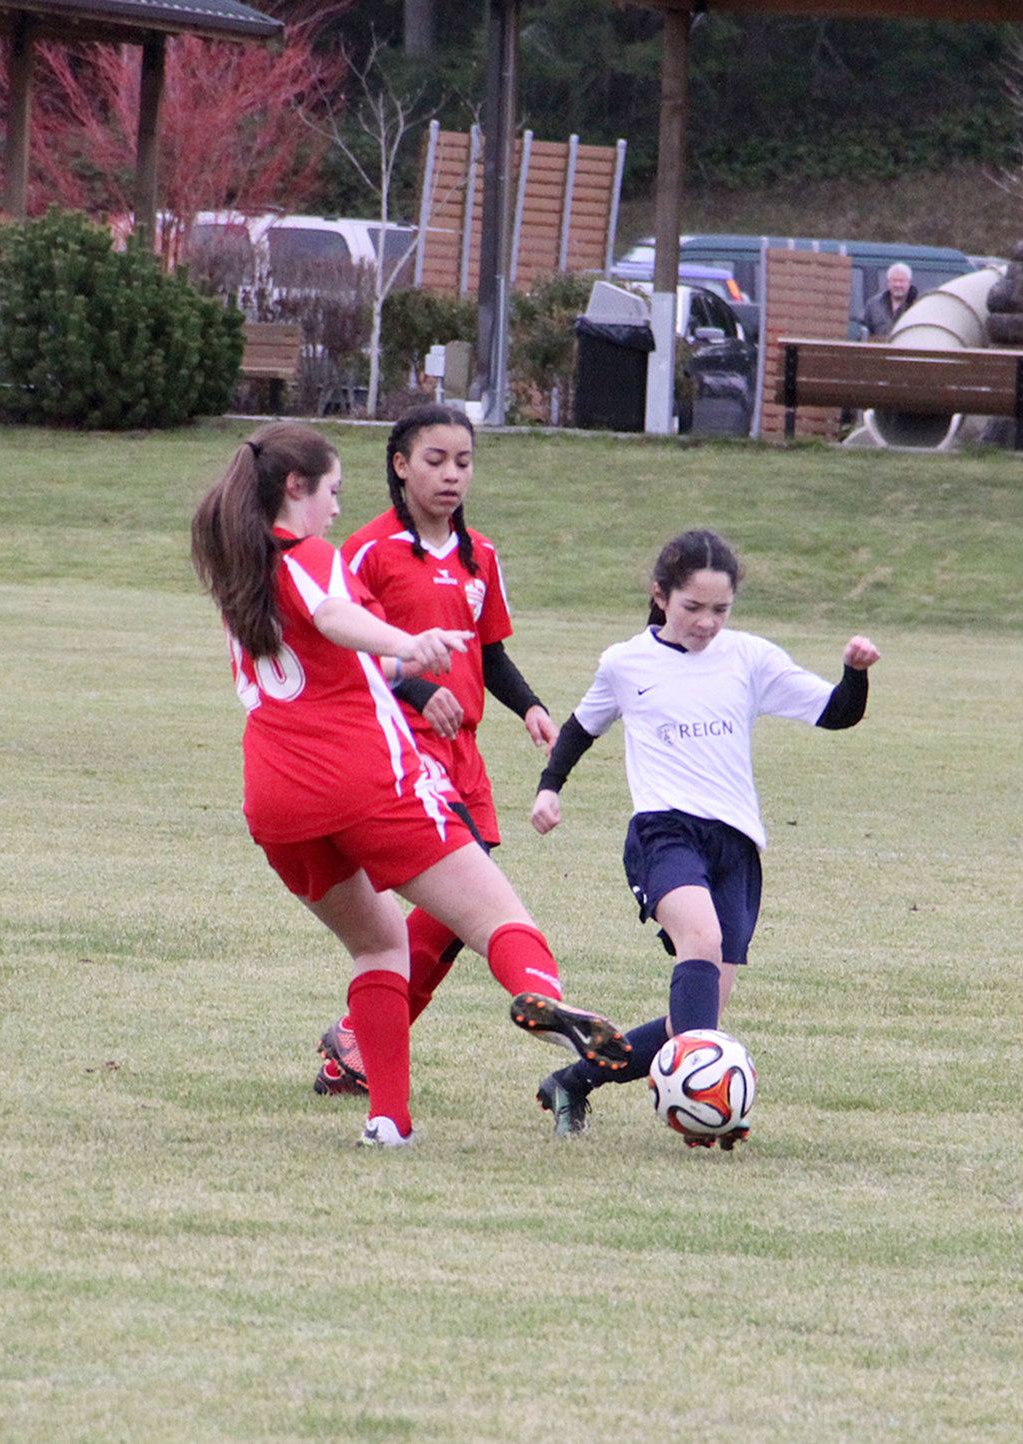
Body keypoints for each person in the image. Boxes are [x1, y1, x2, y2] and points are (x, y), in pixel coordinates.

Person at [190, 421, 629, 1148]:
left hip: (273, 798)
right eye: (331, 491)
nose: (336, 508)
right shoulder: (309, 554)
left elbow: (321, 652)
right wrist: (408, 644)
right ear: (296, 489)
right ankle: (545, 1000)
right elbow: (335, 615)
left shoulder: (241, 570)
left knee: (379, 946)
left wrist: (400, 668)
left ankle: (389, 1123)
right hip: (363, 779)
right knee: (495, 918)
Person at [528, 529, 880, 1144]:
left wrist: (854, 674)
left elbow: (837, 712)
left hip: (735, 846)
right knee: (702, 937)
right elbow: (581, 729)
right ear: (660, 596)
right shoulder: (625, 662)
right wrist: (548, 787)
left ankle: (573, 1082)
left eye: (720, 609)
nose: (707, 622)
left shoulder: (750, 658)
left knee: (696, 1017)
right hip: (663, 832)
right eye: (693, 607)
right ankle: (698, 1103)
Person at [307, 404, 567, 1098]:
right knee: (464, 904)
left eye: (464, 462)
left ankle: (356, 1045)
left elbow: (490, 651)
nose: (452, 475)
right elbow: (349, 650)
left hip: (466, 754)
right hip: (398, 746)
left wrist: (532, 706)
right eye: (435, 460)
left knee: (455, 921)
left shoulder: (481, 554)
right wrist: (421, 693)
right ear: (400, 465)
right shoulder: (366, 551)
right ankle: (363, 1044)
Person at [860, 262, 917, 340]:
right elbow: (863, 336)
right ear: (888, 282)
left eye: (902, 281)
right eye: (894, 280)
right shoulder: (873, 305)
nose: (898, 285)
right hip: (879, 351)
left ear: (909, 282)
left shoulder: (918, 306)